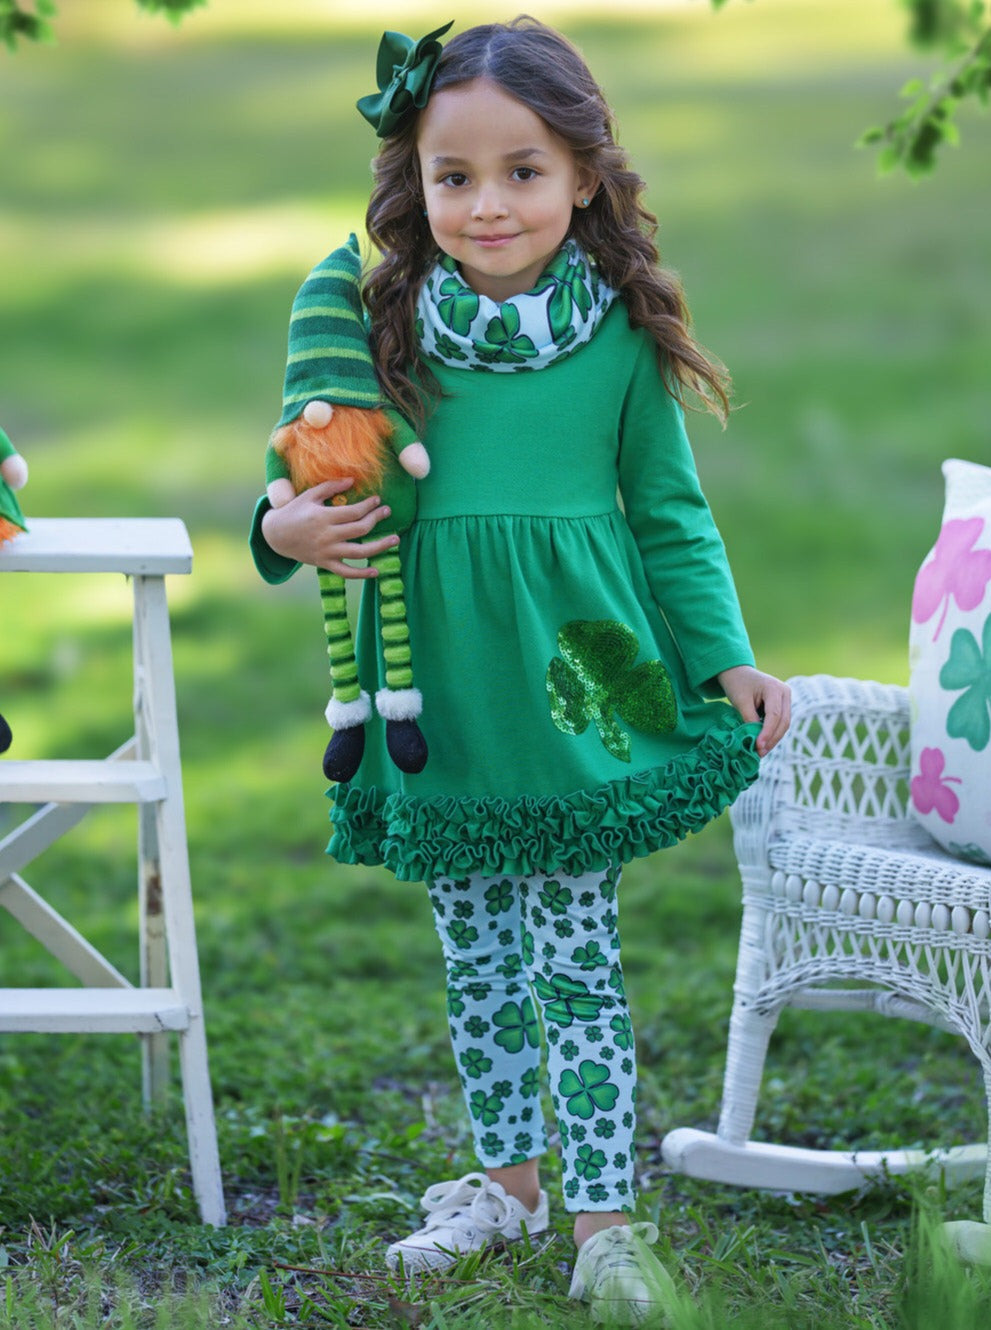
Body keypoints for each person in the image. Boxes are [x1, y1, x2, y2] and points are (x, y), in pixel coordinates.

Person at [250, 17, 790, 1324]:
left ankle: (603, 1216)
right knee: (478, 955)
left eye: (524, 171)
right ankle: (510, 1186)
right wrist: (279, 529)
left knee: (574, 953)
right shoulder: (384, 326)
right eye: (455, 177)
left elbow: (671, 515)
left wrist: (724, 656)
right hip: (442, 694)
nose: (488, 205)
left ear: (585, 176)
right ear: (416, 182)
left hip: (573, 696)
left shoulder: (618, 339)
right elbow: (304, 462)